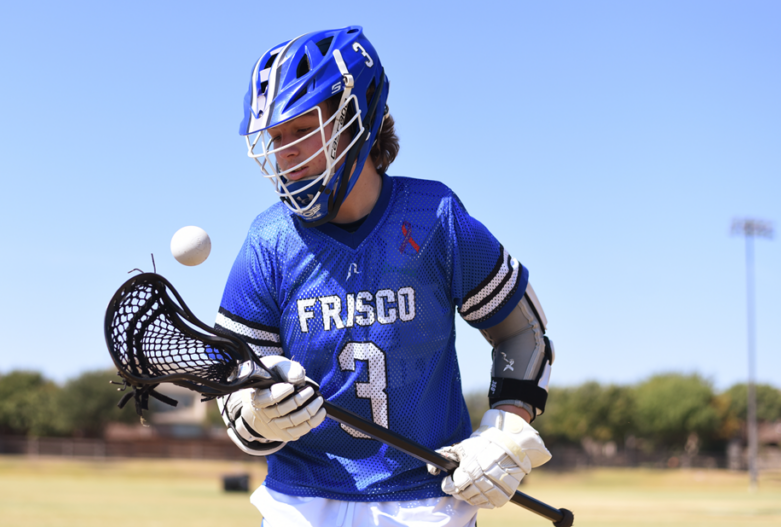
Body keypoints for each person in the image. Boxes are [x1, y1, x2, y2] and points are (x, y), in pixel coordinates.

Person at [214, 26, 555, 527]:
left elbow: (522, 332)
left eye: (302, 127)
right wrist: (259, 414)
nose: (283, 152)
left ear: (356, 116)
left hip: (428, 502)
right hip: (300, 504)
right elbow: (230, 380)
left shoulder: (433, 217)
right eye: (275, 136)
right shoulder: (268, 242)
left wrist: (504, 429)